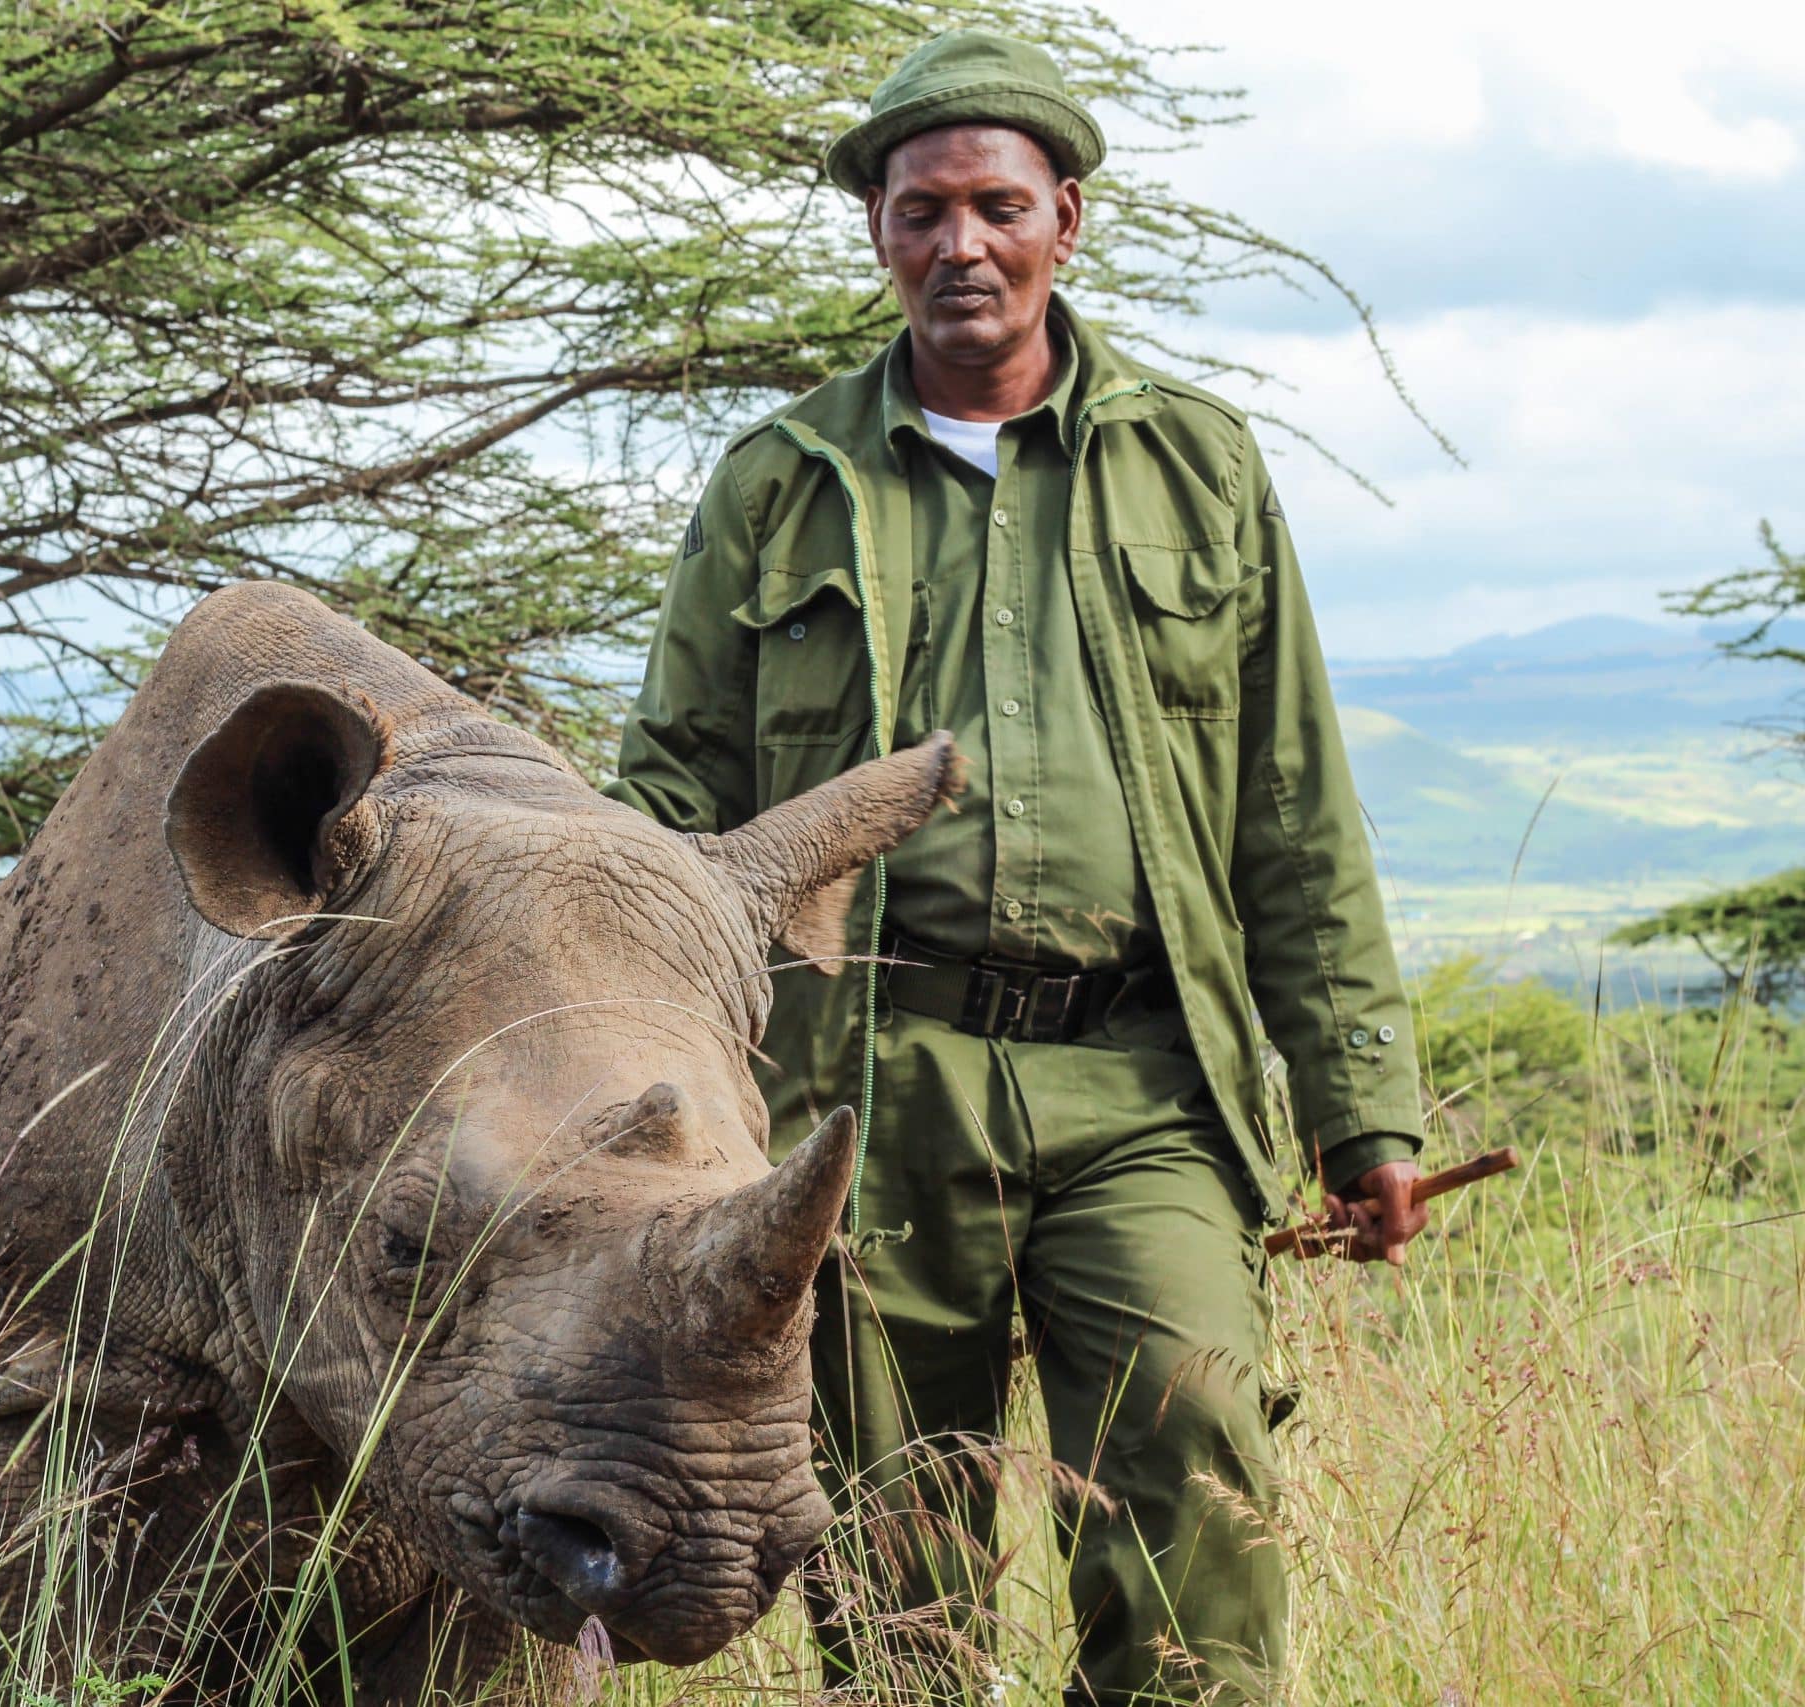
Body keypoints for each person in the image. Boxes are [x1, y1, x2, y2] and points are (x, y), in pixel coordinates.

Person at [606, 30, 1431, 1703]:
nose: (958, 245)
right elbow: (671, 807)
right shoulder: (779, 487)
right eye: (921, 212)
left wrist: (1367, 1109)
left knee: (1201, 1473)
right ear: (878, 236)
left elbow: (1294, 804)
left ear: (1067, 218)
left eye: (996, 206)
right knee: (896, 1551)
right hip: (869, 1070)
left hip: (1145, 1072)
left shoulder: (1198, 466)